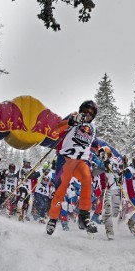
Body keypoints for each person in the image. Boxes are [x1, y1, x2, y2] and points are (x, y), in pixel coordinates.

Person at [46, 100, 100, 235]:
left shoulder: (92, 128)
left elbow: (95, 145)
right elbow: (57, 129)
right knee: (61, 190)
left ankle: (84, 216)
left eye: (91, 113)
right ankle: (53, 218)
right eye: (86, 111)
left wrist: (101, 152)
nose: (88, 114)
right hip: (66, 160)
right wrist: (72, 121)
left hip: (80, 162)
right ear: (81, 110)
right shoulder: (74, 117)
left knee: (87, 179)